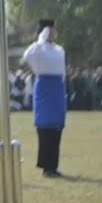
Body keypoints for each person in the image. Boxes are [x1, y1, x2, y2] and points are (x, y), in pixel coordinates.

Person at [22, 19, 67, 177]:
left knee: (57, 127)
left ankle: (53, 165)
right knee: (45, 128)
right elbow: (27, 56)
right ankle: (45, 166)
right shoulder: (38, 49)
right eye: (51, 30)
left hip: (57, 87)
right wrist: (40, 40)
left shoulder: (59, 49)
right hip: (44, 86)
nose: (54, 32)